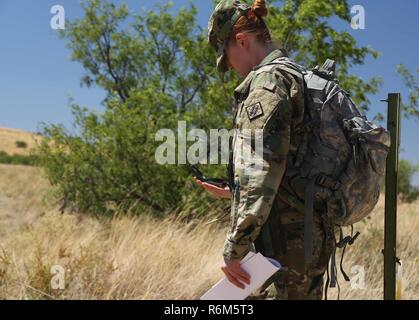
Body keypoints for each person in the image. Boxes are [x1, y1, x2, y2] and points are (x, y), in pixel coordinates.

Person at [195, 0, 335, 299]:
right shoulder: (296, 75)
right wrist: (235, 190)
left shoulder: (267, 82)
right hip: (306, 234)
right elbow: (290, 165)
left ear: (242, 41)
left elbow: (262, 169)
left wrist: (236, 246)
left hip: (285, 243)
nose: (230, 67)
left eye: (227, 57)